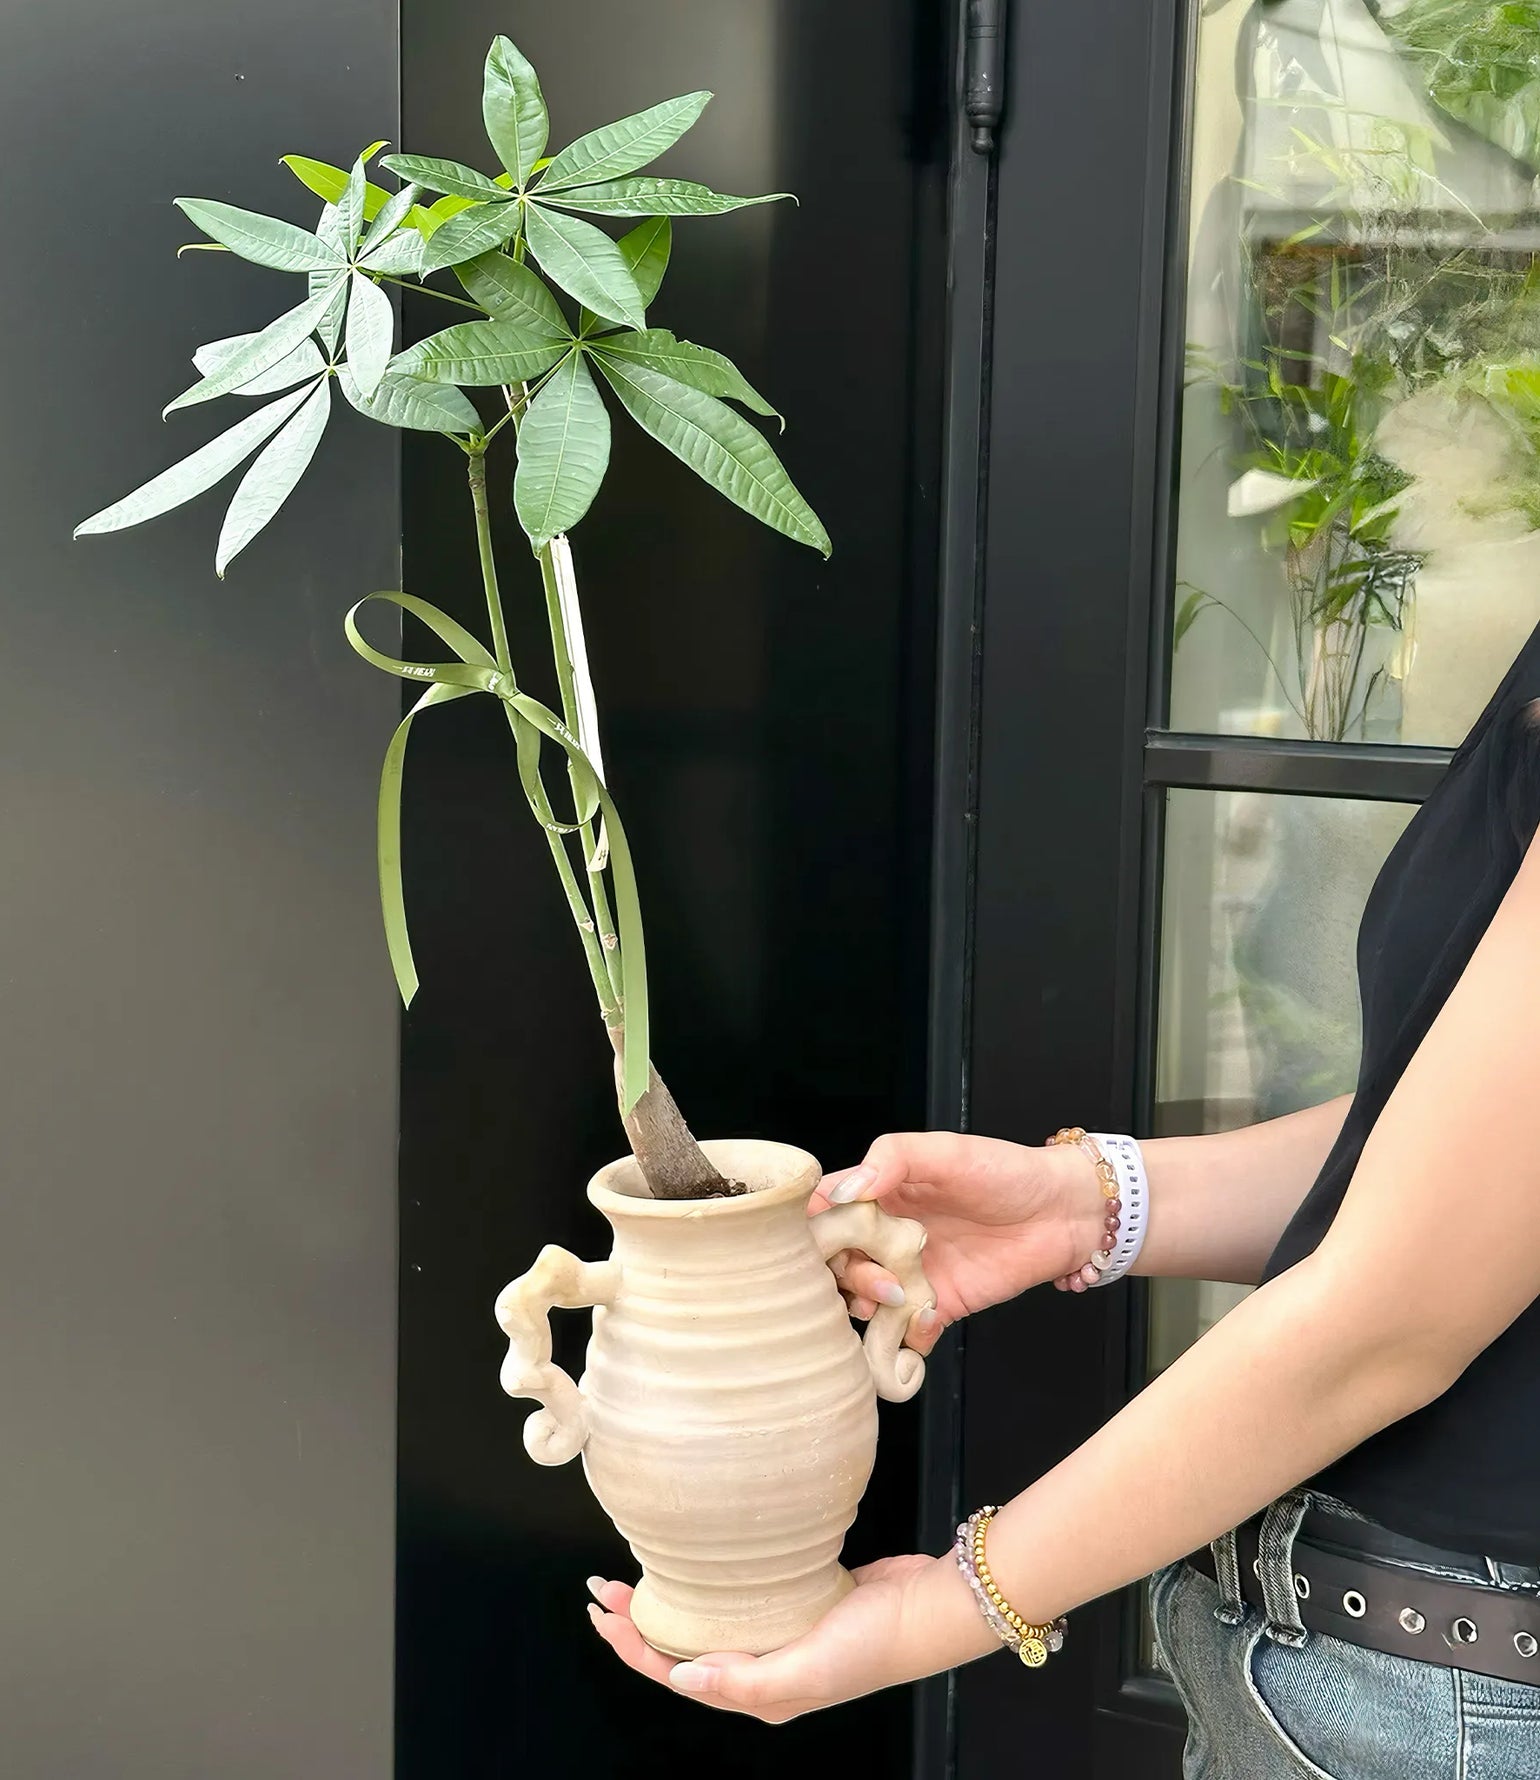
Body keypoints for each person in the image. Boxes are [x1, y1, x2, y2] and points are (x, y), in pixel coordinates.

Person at [588, 624, 1540, 1775]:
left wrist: (947, 1605)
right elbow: (1454, 1170)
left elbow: (1390, 1316)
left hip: (1448, 1708)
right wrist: (1086, 1202)